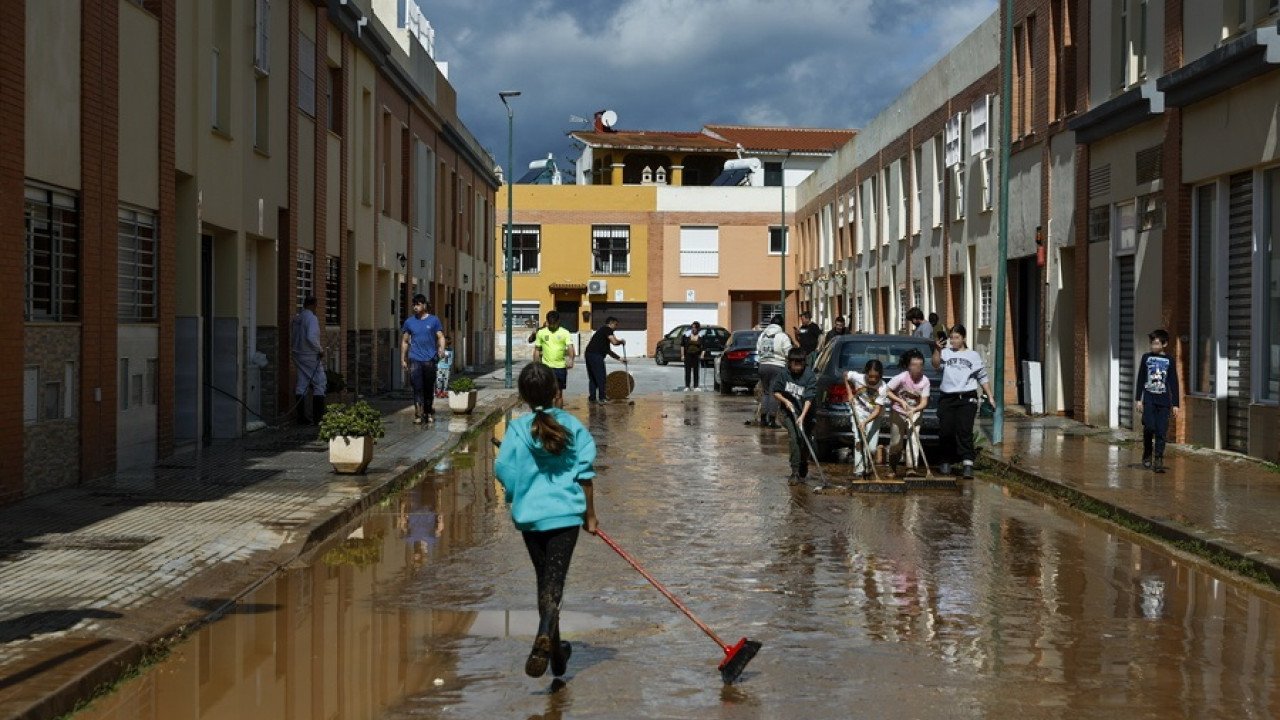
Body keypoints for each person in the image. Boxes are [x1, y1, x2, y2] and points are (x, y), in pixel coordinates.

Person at [495, 362, 599, 679]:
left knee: (545, 581)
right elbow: (585, 476)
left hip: (530, 518)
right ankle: (546, 633)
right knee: (554, 582)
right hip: (565, 517)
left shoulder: (515, 430)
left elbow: (504, 472)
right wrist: (590, 516)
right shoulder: (572, 426)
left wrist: (517, 496)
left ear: (523, 396)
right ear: (557, 391)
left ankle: (556, 655)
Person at [931, 324, 995, 479]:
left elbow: (982, 377)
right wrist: (937, 350)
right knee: (946, 431)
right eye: (951, 338)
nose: (953, 341)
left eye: (957, 338)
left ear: (964, 338)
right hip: (948, 398)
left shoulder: (973, 356)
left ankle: (967, 463)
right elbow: (935, 365)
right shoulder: (945, 353)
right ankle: (946, 460)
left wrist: (990, 397)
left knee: (965, 430)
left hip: (967, 398)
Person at [1135, 328, 1180, 474]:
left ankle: (1159, 458)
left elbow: (1174, 382)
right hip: (1149, 399)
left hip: (1164, 402)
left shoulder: (1169, 360)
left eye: (1156, 344)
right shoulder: (1146, 358)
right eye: (1151, 344)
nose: (1153, 347)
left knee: (1161, 431)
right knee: (1149, 427)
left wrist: (1176, 404)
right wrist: (1138, 399)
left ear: (1164, 344)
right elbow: (1141, 378)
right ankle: (1147, 452)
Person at [773, 348, 817, 485]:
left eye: (800, 365)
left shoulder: (809, 376)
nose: (797, 368)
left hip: (806, 413)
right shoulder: (783, 374)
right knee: (794, 438)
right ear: (789, 363)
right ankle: (795, 471)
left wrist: (802, 416)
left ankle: (803, 462)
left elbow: (809, 398)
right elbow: (776, 391)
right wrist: (786, 401)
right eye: (795, 365)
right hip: (789, 412)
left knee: (804, 440)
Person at [401, 295, 446, 425]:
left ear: (425, 305)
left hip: (430, 358)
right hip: (415, 358)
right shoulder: (409, 322)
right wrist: (403, 359)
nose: (416, 307)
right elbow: (404, 341)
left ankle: (428, 411)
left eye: (418, 304)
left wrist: (441, 349)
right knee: (417, 386)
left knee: (428, 387)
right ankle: (418, 414)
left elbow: (441, 336)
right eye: (414, 304)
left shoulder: (434, 320)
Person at [886, 349, 931, 477]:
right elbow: (887, 391)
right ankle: (893, 466)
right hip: (898, 412)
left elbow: (924, 402)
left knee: (913, 439)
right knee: (896, 443)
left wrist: (915, 410)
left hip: (915, 412)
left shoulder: (925, 381)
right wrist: (900, 400)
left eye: (920, 365)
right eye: (914, 365)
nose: (917, 368)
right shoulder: (901, 378)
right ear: (909, 366)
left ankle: (911, 468)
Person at [844, 359, 890, 475]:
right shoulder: (857, 377)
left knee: (872, 447)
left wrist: (865, 422)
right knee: (859, 440)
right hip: (858, 411)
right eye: (870, 376)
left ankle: (868, 466)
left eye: (876, 377)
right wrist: (849, 393)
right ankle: (859, 470)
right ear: (866, 373)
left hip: (874, 416)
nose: (873, 380)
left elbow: (877, 410)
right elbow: (845, 375)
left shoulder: (883, 387)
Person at [291, 296, 327, 424]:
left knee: (302, 384)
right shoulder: (311, 318)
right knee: (320, 383)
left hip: (297, 354)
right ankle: (318, 417)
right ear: (314, 305)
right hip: (309, 355)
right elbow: (311, 336)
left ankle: (301, 418)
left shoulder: (298, 318)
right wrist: (319, 349)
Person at [756, 315, 793, 428]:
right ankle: (772, 419)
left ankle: (763, 418)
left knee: (766, 392)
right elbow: (789, 352)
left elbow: (758, 349)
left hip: (763, 366)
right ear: (781, 325)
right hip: (777, 366)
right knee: (774, 393)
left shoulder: (762, 335)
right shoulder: (783, 336)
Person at [533, 311, 576, 408]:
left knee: (558, 394)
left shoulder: (565, 332)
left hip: (560, 368)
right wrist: (536, 365)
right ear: (547, 321)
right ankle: (545, 416)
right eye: (550, 323)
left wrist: (571, 360)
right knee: (545, 394)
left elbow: (570, 347)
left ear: (558, 321)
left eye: (554, 323)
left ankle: (558, 416)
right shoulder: (541, 333)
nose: (552, 326)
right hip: (545, 368)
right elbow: (537, 350)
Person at [583, 316, 627, 404]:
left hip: (589, 354)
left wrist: (620, 358)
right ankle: (602, 398)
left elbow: (608, 351)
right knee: (601, 377)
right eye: (615, 325)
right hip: (596, 355)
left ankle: (592, 398)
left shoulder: (602, 333)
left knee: (593, 377)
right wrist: (621, 341)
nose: (615, 328)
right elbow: (614, 342)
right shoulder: (607, 329)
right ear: (611, 323)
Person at [680, 321, 705, 392]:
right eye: (692, 327)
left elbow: (703, 347)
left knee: (696, 370)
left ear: (698, 328)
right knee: (687, 370)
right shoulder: (686, 335)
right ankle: (687, 386)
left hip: (696, 355)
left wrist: (702, 354)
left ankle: (696, 386)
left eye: (695, 328)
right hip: (688, 354)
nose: (693, 329)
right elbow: (682, 345)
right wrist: (682, 355)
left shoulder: (701, 336)